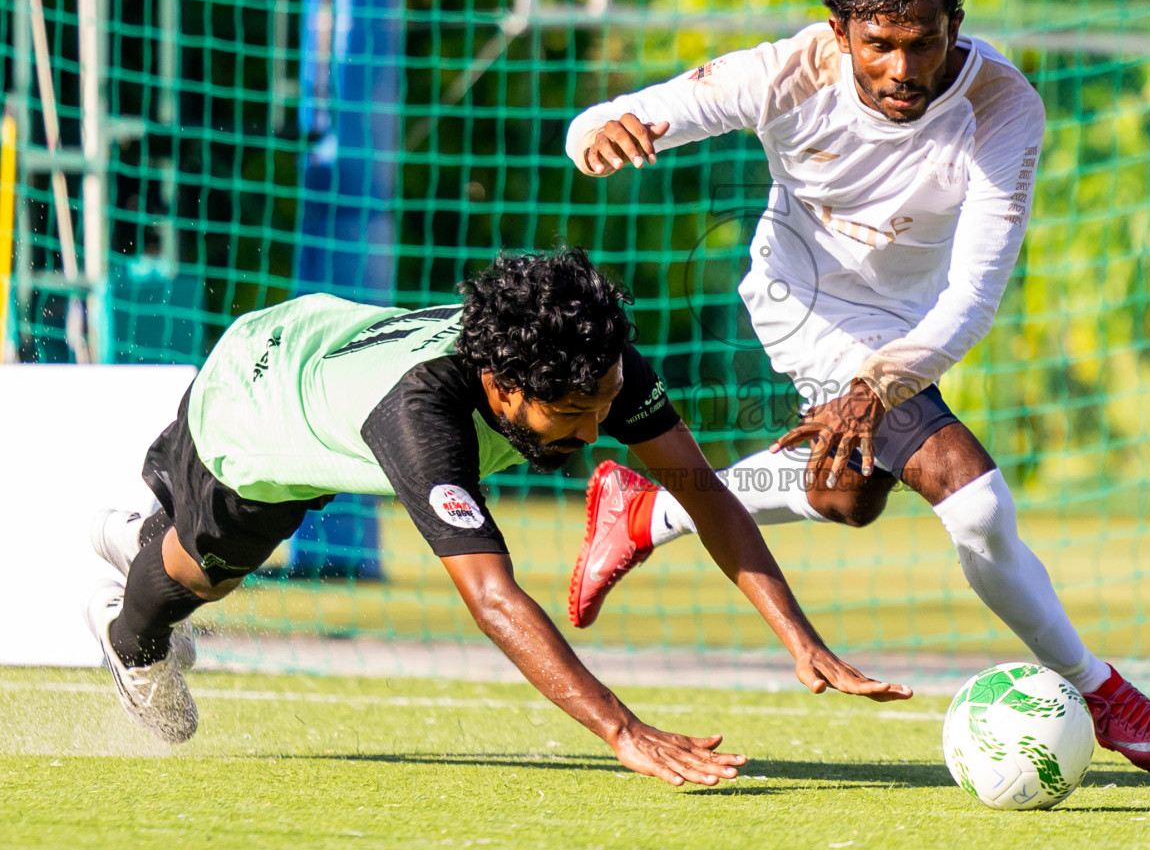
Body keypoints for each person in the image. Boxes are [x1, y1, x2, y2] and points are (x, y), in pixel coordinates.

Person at [562, 0, 1150, 771]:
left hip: (914, 321)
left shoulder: (1002, 106)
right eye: (879, 43)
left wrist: (881, 382)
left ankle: (650, 508)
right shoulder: (782, 74)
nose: (903, 69)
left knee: (848, 496)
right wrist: (594, 138)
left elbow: (974, 296)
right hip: (806, 303)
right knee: (968, 496)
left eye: (925, 42)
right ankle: (1100, 690)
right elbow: (613, 115)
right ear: (839, 32)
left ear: (955, 29)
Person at [86, 248, 909, 785]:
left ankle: (139, 534)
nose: (595, 433)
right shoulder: (424, 419)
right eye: (571, 416)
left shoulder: (600, 364)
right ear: (501, 386)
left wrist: (801, 638)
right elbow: (493, 601)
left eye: (604, 407)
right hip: (262, 405)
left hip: (323, 337)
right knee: (203, 576)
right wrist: (621, 730)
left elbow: (702, 491)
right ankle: (130, 636)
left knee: (204, 558)